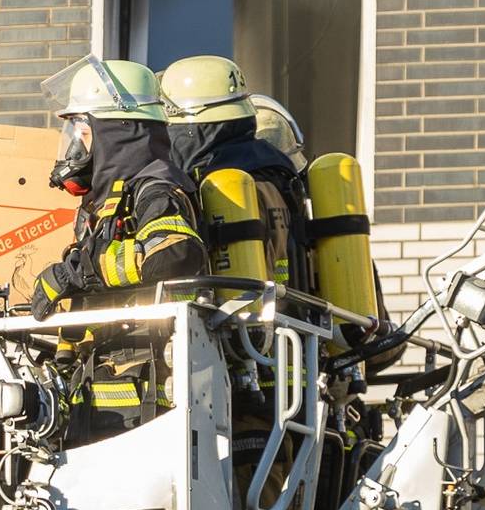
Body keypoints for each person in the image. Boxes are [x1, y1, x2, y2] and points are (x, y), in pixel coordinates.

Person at [29, 58, 210, 319]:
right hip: (118, 349)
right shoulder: (104, 204)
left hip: (153, 350)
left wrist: (76, 272)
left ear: (115, 134)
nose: (75, 149)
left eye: (83, 134)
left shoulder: (155, 189)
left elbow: (174, 252)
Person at [160, 55, 312, 292]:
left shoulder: (218, 182)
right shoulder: (275, 171)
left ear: (188, 124)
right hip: (291, 312)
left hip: (233, 320)